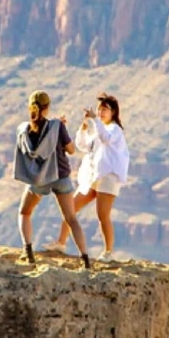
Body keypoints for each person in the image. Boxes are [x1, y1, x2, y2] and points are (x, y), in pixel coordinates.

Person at [12, 90, 92, 270]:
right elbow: (71, 150)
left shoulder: (23, 129)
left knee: (25, 212)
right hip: (60, 176)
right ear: (47, 108)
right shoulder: (57, 126)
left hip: (39, 178)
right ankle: (85, 258)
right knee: (71, 218)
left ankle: (28, 252)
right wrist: (60, 129)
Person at [47, 93, 130, 261]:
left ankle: (108, 252)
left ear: (113, 112)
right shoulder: (98, 128)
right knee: (71, 207)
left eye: (105, 109)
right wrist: (84, 126)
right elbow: (83, 145)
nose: (101, 112)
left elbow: (105, 138)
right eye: (99, 109)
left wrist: (95, 121)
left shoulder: (115, 130)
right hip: (94, 177)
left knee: (102, 215)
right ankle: (61, 243)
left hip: (109, 177)